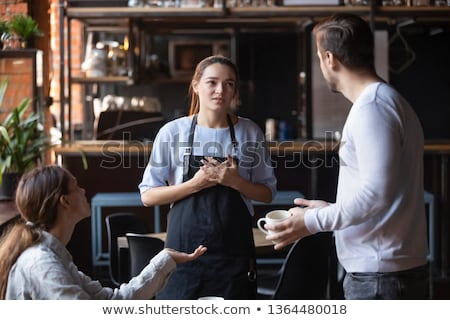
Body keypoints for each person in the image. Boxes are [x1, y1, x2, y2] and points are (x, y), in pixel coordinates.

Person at [266, 13, 429, 300]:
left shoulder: (373, 108)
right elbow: (380, 192)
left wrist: (311, 222)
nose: (321, 64)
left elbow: (376, 195)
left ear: (330, 59)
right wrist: (328, 208)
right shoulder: (385, 101)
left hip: (381, 278)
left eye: (318, 56)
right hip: (386, 273)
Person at [139, 55, 277, 299]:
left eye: (229, 84)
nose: (220, 90)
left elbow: (267, 194)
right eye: (212, 82)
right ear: (196, 86)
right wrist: (194, 184)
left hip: (234, 256)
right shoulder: (172, 132)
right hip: (182, 255)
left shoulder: (249, 132)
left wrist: (235, 182)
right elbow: (148, 196)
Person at [0, 165, 206, 299]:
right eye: (76, 186)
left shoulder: (53, 256)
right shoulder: (42, 264)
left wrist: (165, 259)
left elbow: (113, 302)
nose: (83, 191)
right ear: (65, 201)